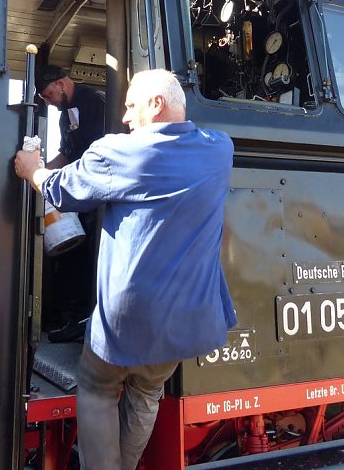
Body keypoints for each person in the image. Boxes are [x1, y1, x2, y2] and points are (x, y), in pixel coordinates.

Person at [15, 68, 237, 470]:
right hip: (186, 320)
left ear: (157, 104)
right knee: (146, 394)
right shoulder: (220, 149)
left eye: (132, 106)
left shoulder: (120, 152)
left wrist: (31, 168)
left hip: (126, 320)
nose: (125, 117)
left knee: (98, 389)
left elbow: (61, 189)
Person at [35, 65, 106, 342]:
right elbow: (66, 154)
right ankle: (68, 316)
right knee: (69, 257)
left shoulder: (96, 103)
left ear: (61, 84)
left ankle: (83, 318)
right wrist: (38, 172)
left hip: (95, 194)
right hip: (79, 193)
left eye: (48, 94)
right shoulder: (65, 117)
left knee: (86, 256)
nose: (48, 102)